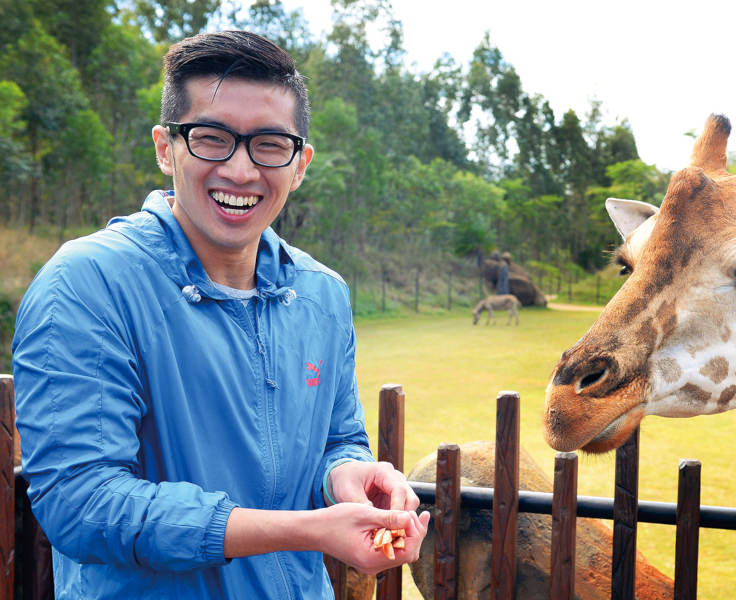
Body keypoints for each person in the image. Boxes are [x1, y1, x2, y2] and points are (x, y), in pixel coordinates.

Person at [12, 30, 429, 599]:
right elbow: (82, 501)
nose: (240, 170)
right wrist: (304, 529)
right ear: (165, 147)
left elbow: (338, 438)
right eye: (211, 138)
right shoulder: (88, 284)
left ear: (300, 162)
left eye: (269, 144)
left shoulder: (322, 295)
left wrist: (344, 474)